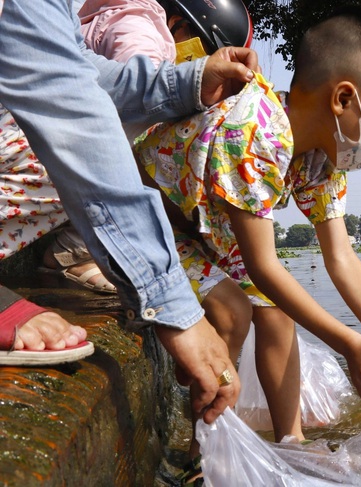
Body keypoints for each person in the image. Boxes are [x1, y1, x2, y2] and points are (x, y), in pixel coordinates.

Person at [135, 4, 361, 418]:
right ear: (343, 98)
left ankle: (290, 443)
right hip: (147, 217)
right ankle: (201, 452)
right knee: (233, 310)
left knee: (277, 313)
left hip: (199, 226)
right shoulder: (254, 130)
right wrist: (350, 345)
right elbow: (263, 266)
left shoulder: (323, 159)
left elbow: (341, 258)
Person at [0, 0, 259, 422]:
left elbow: (83, 70)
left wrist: (189, 84)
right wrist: (172, 305)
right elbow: (67, 100)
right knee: (66, 145)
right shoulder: (140, 24)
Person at [77, 0, 307, 450]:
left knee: (257, 312)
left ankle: (256, 440)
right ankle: (207, 442)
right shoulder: (139, 30)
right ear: (179, 26)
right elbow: (124, 111)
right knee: (230, 311)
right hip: (112, 201)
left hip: (153, 209)